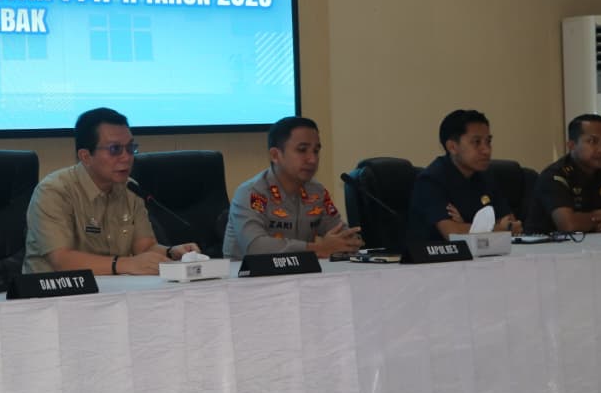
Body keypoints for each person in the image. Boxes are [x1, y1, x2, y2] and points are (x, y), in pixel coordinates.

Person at [23, 107, 199, 275]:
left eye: (130, 148)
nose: (127, 157)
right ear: (86, 156)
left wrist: (171, 252)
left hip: (113, 290)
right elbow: (62, 260)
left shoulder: (130, 189)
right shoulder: (54, 191)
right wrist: (126, 264)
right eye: (115, 149)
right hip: (54, 293)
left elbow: (144, 247)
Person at [224, 116, 363, 260]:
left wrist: (349, 241)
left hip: (301, 272)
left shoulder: (317, 192)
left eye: (316, 151)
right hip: (247, 273)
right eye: (302, 150)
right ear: (275, 155)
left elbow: (342, 233)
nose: (313, 159)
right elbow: (255, 247)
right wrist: (319, 249)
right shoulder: (252, 193)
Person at [406, 109, 521, 245]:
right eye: (477, 142)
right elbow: (453, 233)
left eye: (488, 141)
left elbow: (512, 224)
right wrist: (499, 229)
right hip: (437, 257)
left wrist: (467, 226)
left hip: (482, 254)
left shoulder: (485, 175)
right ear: (452, 147)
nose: (486, 150)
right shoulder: (431, 180)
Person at [525, 114, 601, 233]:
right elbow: (568, 225)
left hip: (592, 243)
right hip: (546, 245)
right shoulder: (555, 175)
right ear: (572, 145)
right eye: (592, 141)